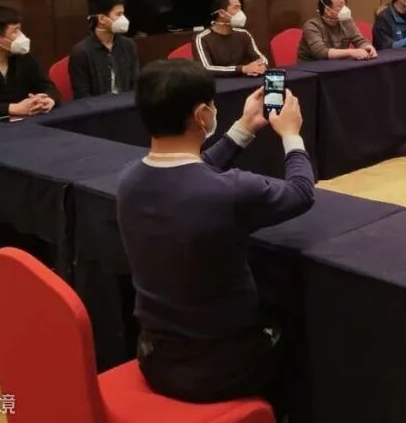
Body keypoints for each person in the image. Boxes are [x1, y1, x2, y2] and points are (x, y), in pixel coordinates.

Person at [117, 59, 314, 405]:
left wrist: (244, 127)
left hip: (155, 357)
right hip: (224, 368)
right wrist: (291, 135)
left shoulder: (128, 180)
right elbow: (301, 193)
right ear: (202, 115)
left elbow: (193, 171)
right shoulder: (231, 191)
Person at [69, 0, 140, 98]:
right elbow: (82, 95)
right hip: (97, 107)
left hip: (126, 103)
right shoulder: (81, 52)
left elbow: (136, 84)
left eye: (123, 14)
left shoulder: (128, 45)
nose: (123, 19)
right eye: (118, 14)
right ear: (102, 19)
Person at [193, 0, 268, 77]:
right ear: (221, 13)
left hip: (243, 80)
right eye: (236, 8)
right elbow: (206, 69)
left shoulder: (244, 34)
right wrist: (242, 69)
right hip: (218, 83)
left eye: (240, 8)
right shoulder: (202, 38)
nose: (240, 12)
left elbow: (262, 59)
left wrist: (260, 66)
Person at [298, 0, 378, 62]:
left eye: (345, 5)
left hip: (337, 65)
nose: (345, 9)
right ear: (327, 10)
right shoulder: (312, 25)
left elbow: (359, 40)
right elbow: (320, 52)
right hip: (312, 67)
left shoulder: (346, 21)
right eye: (340, 6)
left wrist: (367, 47)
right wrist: (351, 52)